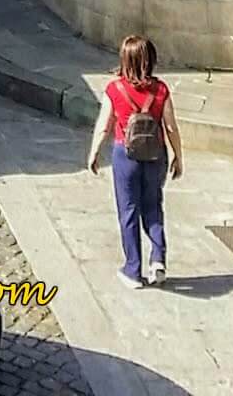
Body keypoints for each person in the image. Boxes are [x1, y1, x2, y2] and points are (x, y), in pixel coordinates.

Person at [89, 34, 182, 288]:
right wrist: (178, 157)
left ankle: (133, 270)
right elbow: (171, 127)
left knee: (128, 211)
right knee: (153, 206)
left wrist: (94, 152)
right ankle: (158, 259)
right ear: (150, 60)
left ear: (124, 59)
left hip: (125, 155)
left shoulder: (114, 88)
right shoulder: (161, 89)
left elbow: (104, 124)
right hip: (156, 155)